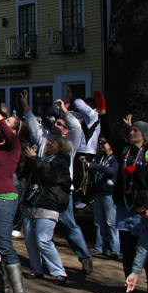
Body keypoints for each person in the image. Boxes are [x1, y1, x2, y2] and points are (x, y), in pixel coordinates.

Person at [95, 92, 148, 293]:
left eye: (135, 130)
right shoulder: (124, 151)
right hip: (123, 206)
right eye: (131, 129)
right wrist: (102, 113)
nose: (131, 132)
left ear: (145, 135)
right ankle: (128, 286)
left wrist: (138, 171)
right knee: (127, 249)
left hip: (142, 209)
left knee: (146, 249)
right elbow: (108, 132)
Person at [21, 90, 94, 275]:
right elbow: (33, 126)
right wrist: (26, 107)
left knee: (69, 226)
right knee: (36, 232)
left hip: (60, 194)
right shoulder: (45, 142)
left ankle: (85, 258)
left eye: (60, 124)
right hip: (40, 194)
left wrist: (65, 112)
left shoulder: (68, 145)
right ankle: (41, 265)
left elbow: (77, 128)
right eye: (55, 122)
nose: (56, 124)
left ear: (65, 130)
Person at [0, 104, 29, 293]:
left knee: (4, 244)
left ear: (15, 131)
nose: (4, 124)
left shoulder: (14, 146)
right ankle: (2, 287)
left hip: (4, 198)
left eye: (10, 124)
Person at [20, 135, 73, 285]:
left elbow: (48, 173)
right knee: (30, 239)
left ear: (61, 147)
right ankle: (37, 270)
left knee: (43, 239)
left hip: (48, 205)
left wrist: (34, 159)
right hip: (32, 203)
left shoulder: (61, 162)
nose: (49, 143)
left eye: (53, 142)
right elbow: (25, 171)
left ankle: (59, 272)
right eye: (49, 141)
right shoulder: (41, 159)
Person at [87, 137, 120, 256]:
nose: (102, 145)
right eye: (100, 143)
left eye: (104, 142)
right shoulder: (100, 157)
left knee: (111, 222)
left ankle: (115, 250)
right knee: (98, 222)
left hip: (108, 194)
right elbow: (93, 167)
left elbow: (112, 171)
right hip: (98, 192)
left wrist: (94, 166)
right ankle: (100, 248)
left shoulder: (114, 159)